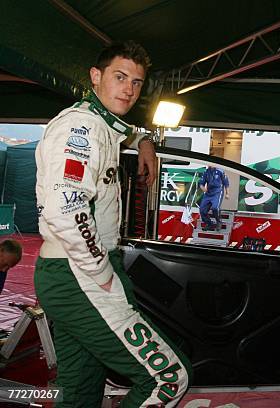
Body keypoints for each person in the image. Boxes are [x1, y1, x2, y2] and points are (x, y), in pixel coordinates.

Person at [34, 41, 191, 407]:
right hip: (79, 272)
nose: (129, 90)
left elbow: (126, 130)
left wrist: (146, 141)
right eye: (120, 77)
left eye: (136, 82)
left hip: (68, 272)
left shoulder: (101, 123)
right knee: (167, 378)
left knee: (80, 391)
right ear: (95, 76)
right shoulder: (81, 128)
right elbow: (66, 207)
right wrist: (102, 273)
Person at [198, 165, 229, 231]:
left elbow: (226, 182)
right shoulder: (206, 172)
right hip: (208, 193)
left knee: (215, 207)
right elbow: (201, 182)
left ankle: (219, 222)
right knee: (202, 210)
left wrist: (227, 193)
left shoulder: (220, 171)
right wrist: (202, 187)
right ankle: (209, 224)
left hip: (218, 192)